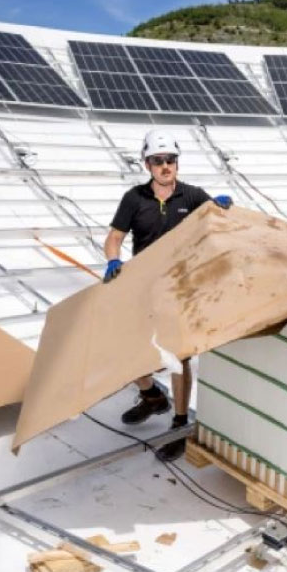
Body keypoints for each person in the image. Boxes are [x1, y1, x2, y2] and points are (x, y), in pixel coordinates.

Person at [103, 129, 232, 461]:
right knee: (125, 352)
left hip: (180, 288)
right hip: (143, 287)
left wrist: (221, 208)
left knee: (179, 357)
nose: (165, 166)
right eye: (158, 161)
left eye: (170, 160)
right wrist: (113, 258)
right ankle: (152, 399)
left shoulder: (191, 196)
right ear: (147, 164)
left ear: (177, 163)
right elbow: (114, 237)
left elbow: (221, 223)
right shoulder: (134, 199)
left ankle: (178, 424)